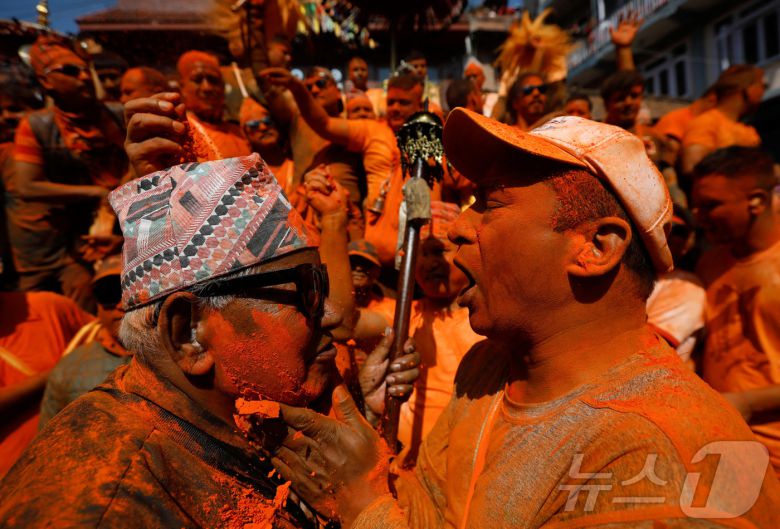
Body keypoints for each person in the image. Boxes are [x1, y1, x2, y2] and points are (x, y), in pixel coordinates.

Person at [264, 110, 780, 528]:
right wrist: (375, 456)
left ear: (596, 247)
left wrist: (363, 508)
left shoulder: (658, 455)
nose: (456, 231)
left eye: (489, 204)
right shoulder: (487, 370)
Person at [0, 133, 418, 527]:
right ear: (189, 333)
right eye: (306, 290)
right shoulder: (105, 505)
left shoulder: (225, 411)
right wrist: (367, 506)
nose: (330, 314)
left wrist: (362, 422)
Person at [10, 35, 127, 309]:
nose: (84, 78)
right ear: (46, 81)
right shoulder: (36, 125)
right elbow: (27, 187)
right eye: (71, 71)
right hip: (75, 241)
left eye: (87, 70)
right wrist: (96, 193)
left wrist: (116, 199)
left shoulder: (116, 115)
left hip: (126, 227)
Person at [693, 146, 780, 477]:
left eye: (711, 206)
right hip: (722, 450)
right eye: (697, 204)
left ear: (756, 201)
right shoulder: (710, 263)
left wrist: (745, 404)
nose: (698, 215)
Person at [0, 290, 93, 478]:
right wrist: (58, 373)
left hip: (86, 467)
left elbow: (106, 339)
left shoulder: (49, 307)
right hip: (14, 486)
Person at [38, 255, 132, 428]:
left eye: (130, 290)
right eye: (108, 293)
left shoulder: (178, 356)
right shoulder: (67, 370)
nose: (121, 304)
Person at [262, 66, 365, 210]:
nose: (314, 90)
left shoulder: (354, 125)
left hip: (347, 214)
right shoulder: (297, 120)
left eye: (321, 84)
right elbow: (270, 91)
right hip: (303, 214)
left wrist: (296, 86)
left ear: (338, 92)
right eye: (308, 87)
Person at [645, 205, 705, 367]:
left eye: (678, 231)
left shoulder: (687, 287)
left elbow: (649, 350)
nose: (668, 235)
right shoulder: (630, 274)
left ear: (687, 245)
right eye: (662, 227)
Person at [682, 65, 765, 176]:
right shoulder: (706, 122)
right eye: (762, 85)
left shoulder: (748, 131)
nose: (763, 91)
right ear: (749, 90)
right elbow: (692, 167)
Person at [177, 50, 251, 161]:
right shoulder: (179, 131)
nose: (207, 88)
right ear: (181, 88)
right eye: (197, 80)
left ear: (223, 87)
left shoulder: (239, 132)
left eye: (213, 80)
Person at [239, 96, 294, 194]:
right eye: (254, 125)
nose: (263, 127)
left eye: (267, 121)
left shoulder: (298, 160)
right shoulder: (250, 180)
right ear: (245, 134)